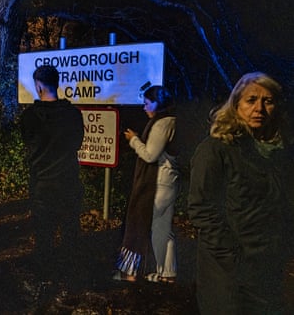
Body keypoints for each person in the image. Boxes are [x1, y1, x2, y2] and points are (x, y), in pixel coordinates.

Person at [187, 72, 294, 314]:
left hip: (268, 267)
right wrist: (232, 255)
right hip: (229, 274)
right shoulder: (216, 149)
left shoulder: (280, 152)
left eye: (268, 101)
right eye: (251, 100)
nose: (259, 108)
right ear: (236, 105)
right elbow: (201, 208)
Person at [21, 65, 84, 279]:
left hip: (42, 184)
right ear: (57, 84)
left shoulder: (30, 116)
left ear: (38, 86)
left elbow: (28, 143)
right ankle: (70, 275)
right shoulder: (74, 115)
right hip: (68, 181)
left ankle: (45, 274)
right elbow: (77, 143)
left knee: (44, 233)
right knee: (69, 231)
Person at [113, 85, 179, 283]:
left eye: (147, 103)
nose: (144, 107)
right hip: (169, 182)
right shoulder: (173, 121)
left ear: (158, 102)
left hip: (156, 184)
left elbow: (149, 155)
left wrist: (134, 140)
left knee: (137, 226)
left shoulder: (161, 124)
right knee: (162, 230)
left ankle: (128, 271)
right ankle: (167, 273)